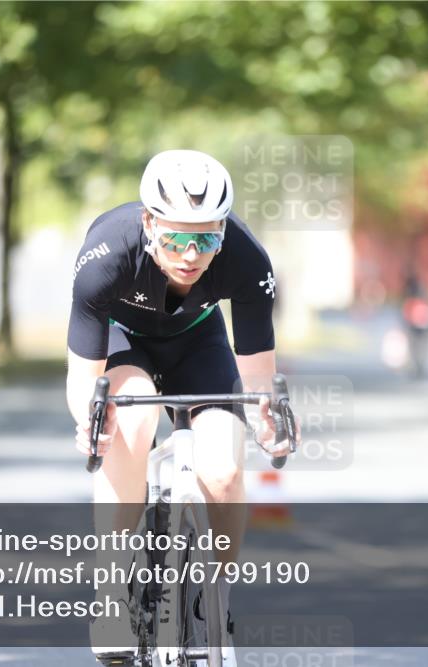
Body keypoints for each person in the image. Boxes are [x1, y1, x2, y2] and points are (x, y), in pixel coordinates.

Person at [66, 149, 290, 663]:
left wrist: (267, 421)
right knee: (132, 418)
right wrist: (90, 422)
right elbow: (84, 379)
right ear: (148, 224)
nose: (190, 255)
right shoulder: (107, 253)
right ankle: (112, 588)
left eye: (207, 238)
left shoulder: (247, 260)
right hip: (124, 343)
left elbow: (257, 377)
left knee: (225, 470)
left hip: (197, 343)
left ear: (223, 235)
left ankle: (216, 601)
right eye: (175, 238)